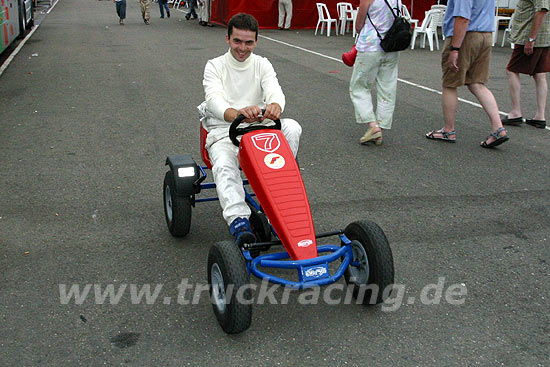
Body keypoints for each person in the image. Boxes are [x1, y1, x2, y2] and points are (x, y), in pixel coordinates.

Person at [200, 13, 302, 245]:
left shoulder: (262, 64)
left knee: (292, 127)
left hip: (260, 127)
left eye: (248, 42)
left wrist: (275, 105)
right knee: (225, 164)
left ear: (256, 42)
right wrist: (237, 115)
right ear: (227, 39)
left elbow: (274, 89)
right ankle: (239, 220)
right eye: (237, 41)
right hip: (225, 130)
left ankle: (279, 202)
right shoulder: (215, 66)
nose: (242, 48)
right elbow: (214, 100)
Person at [425, 0, 509, 148]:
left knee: (450, 84)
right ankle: (498, 128)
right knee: (477, 83)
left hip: (466, 36)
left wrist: (454, 48)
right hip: (485, 35)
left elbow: (463, 18)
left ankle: (448, 130)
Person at [349, 0, 401, 146]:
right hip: (391, 46)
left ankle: (373, 126)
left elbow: (359, 25)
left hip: (370, 45)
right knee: (387, 88)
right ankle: (380, 125)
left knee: (359, 87)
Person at [502, 0, 549, 129]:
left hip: (529, 37)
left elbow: (541, 11)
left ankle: (516, 112)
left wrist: (531, 39)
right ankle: (540, 116)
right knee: (539, 74)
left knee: (511, 70)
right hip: (542, 37)